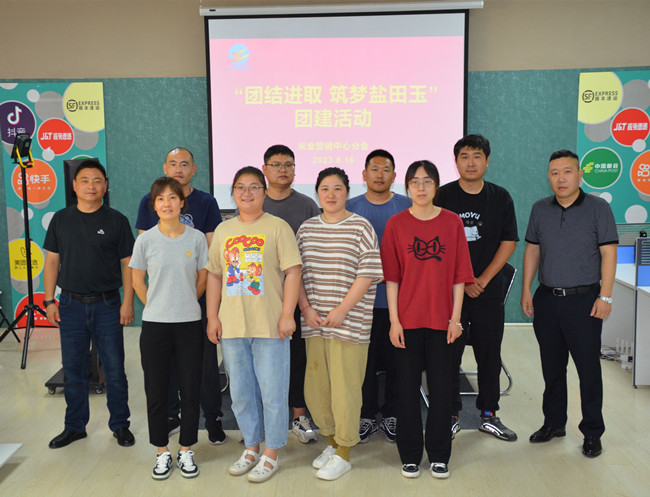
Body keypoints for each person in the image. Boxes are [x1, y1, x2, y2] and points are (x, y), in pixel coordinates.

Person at [205, 166, 302, 484]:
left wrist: (287, 315)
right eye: (240, 187)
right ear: (233, 192)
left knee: (273, 393)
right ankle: (251, 447)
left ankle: (271, 452)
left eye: (254, 187)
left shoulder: (278, 227)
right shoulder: (223, 230)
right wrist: (213, 316)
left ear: (264, 192)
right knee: (242, 393)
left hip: (270, 326)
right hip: (232, 326)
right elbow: (215, 275)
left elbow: (293, 272)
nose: (247, 193)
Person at [521, 149, 617, 458]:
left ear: (579, 175)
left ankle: (592, 432)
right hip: (547, 300)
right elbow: (533, 250)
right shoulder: (540, 209)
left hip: (584, 302)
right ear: (548, 177)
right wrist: (526, 289)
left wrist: (605, 296)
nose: (560, 178)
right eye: (554, 173)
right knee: (552, 368)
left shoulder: (598, 208)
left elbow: (608, 253)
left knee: (588, 370)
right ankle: (553, 423)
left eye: (567, 171)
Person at [381, 160, 474, 480]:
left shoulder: (452, 222)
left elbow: (459, 277)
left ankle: (438, 454)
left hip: (443, 322)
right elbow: (392, 279)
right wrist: (394, 321)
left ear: (436, 186)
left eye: (427, 181)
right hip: (406, 322)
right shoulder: (396, 224)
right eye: (415, 182)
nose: (421, 187)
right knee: (406, 391)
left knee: (442, 391)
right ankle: (409, 455)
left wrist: (456, 319)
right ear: (406, 187)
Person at [297, 167, 384, 481]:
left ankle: (345, 452)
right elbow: (296, 274)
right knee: (317, 387)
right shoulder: (306, 229)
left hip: (349, 323)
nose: (331, 194)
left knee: (345, 388)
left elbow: (368, 273)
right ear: (317, 193)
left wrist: (342, 309)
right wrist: (305, 308)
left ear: (347, 192)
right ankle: (332, 443)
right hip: (315, 322)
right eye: (325, 188)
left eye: (337, 188)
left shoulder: (361, 226)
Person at [43, 159, 135, 449]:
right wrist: (49, 300)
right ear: (74, 186)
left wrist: (128, 302)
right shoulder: (61, 219)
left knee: (115, 369)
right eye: (85, 180)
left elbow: (129, 265)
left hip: (108, 305)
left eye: (97, 181)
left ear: (105, 186)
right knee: (73, 369)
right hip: (69, 304)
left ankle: (120, 425)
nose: (91, 186)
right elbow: (52, 261)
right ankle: (74, 427)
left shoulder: (117, 220)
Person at [135, 147, 225, 445]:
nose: (178, 168)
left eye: (184, 164)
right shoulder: (147, 209)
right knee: (164, 373)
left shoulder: (206, 203)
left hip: (195, 304)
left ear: (193, 169)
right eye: (173, 163)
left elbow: (209, 260)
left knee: (203, 370)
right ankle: (170, 420)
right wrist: (156, 303)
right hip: (160, 311)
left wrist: (189, 296)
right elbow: (141, 267)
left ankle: (212, 419)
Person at [436, 134, 519, 441]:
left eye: (477, 156)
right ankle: (451, 414)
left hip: (488, 290)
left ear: (487, 161)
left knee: (489, 353)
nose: (470, 163)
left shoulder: (500, 197)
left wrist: (481, 280)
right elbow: (436, 244)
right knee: (448, 354)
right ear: (456, 161)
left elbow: (508, 242)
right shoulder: (442, 196)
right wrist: (463, 281)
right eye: (464, 156)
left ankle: (488, 414)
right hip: (450, 292)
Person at [130, 177, 208, 479]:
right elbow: (137, 280)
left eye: (172, 198)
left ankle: (186, 449)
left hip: (189, 323)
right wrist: (157, 304)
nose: (167, 204)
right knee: (157, 390)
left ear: (181, 202)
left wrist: (184, 301)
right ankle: (161, 451)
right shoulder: (145, 240)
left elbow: (202, 278)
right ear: (154, 205)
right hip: (155, 326)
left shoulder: (196, 238)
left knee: (190, 389)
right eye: (160, 199)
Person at [346, 149, 411, 443]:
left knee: (398, 361)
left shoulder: (408, 206)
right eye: (374, 169)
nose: (380, 175)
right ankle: (366, 415)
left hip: (400, 303)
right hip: (360, 303)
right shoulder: (350, 207)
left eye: (386, 170)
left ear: (394, 176)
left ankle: (393, 413)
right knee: (365, 362)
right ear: (364, 175)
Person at [261, 144, 321, 443]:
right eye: (276, 164)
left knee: (298, 356)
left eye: (288, 164)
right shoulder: (255, 202)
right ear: (265, 170)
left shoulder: (307, 205)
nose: (282, 169)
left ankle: (299, 414)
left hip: (299, 294)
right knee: (264, 358)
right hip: (261, 296)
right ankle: (264, 418)